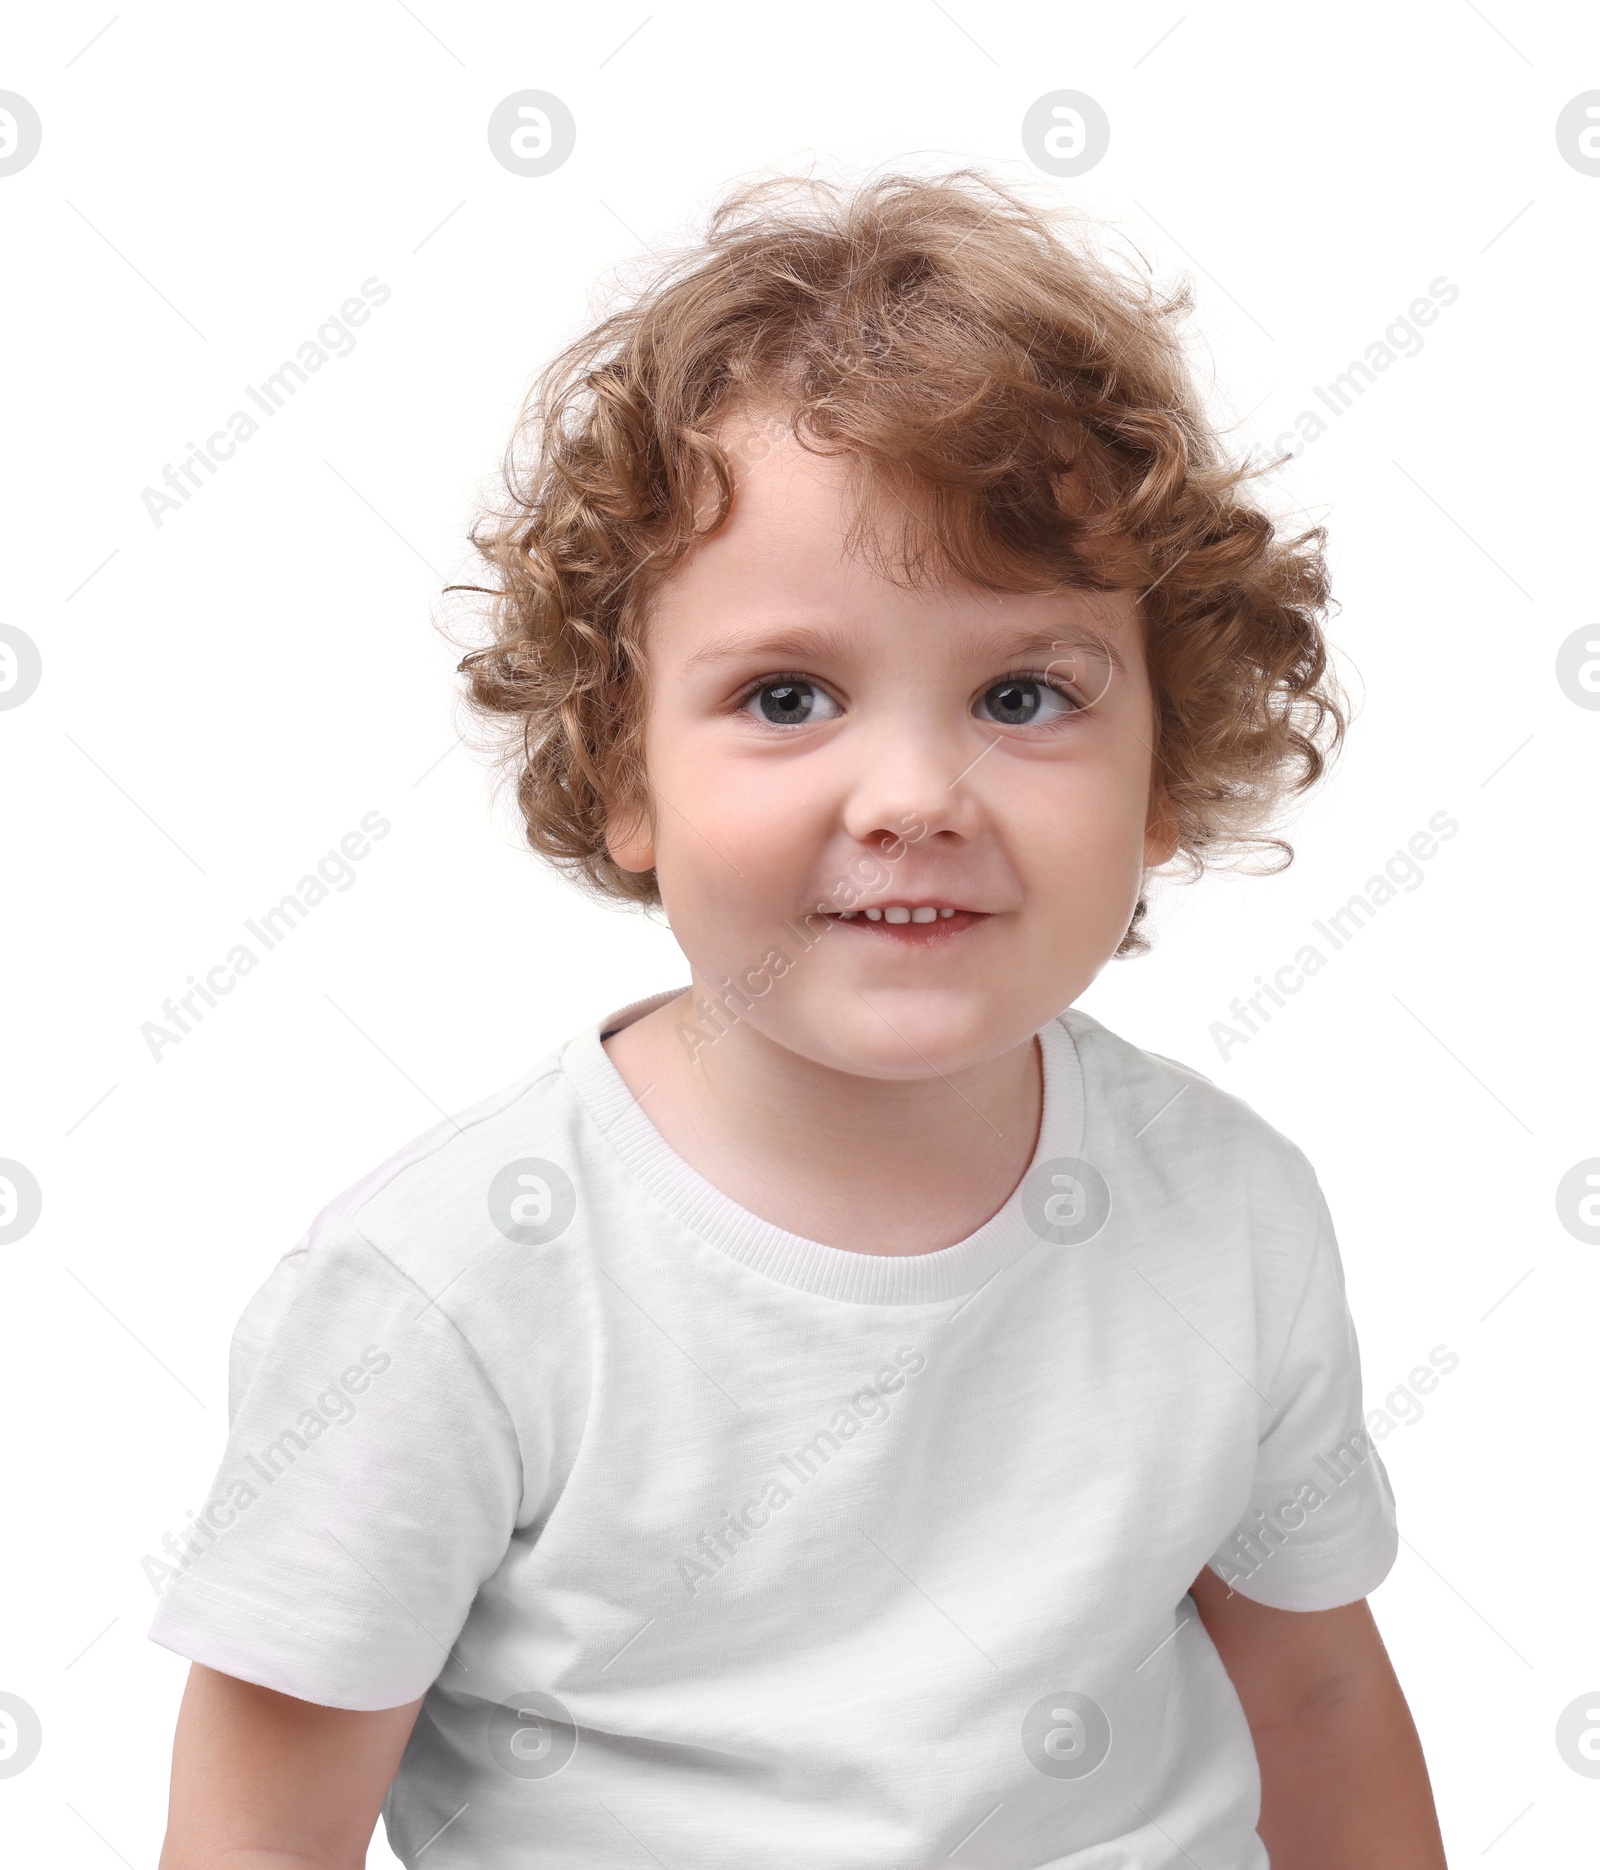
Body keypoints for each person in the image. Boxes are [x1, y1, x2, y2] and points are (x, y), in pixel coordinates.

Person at [151, 168, 1448, 1868]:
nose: (912, 791)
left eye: (1023, 693)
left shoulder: (1232, 1214)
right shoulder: (454, 1290)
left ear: (1163, 773)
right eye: (787, 695)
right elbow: (259, 1829)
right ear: (627, 772)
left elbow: (1319, 1700)